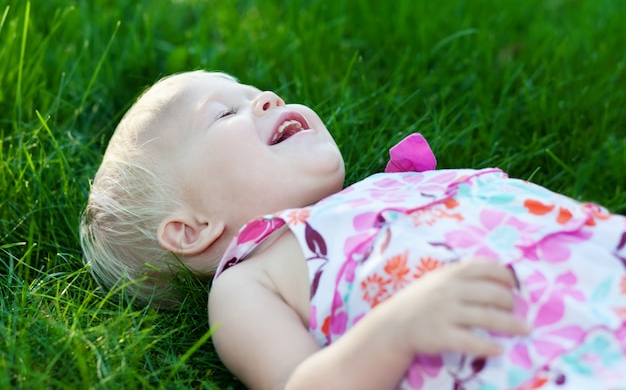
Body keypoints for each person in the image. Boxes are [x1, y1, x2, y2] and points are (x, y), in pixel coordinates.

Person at [80, 70, 626, 390]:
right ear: (193, 228)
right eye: (224, 115)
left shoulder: (383, 191)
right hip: (534, 363)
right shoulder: (248, 278)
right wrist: (398, 328)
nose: (265, 97)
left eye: (250, 91)